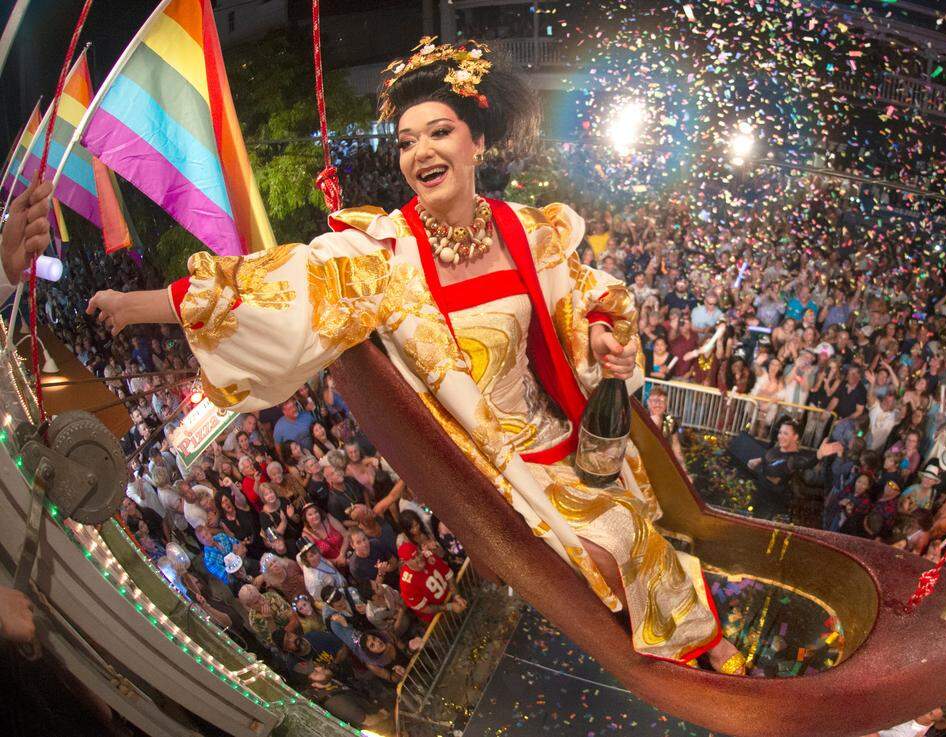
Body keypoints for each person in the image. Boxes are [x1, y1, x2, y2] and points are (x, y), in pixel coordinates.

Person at [86, 37, 741, 674]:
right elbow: (268, 287)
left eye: (438, 132)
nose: (420, 152)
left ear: (477, 141)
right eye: (405, 142)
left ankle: (697, 637)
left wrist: (598, 336)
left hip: (558, 436)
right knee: (603, 549)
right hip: (489, 467)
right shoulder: (382, 256)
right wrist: (138, 303)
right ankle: (659, 647)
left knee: (634, 527)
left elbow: (588, 299)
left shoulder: (529, 229)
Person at [397, 542, 466, 624]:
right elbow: (424, 609)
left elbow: (448, 574)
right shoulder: (406, 584)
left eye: (418, 553)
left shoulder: (428, 556)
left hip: (449, 596)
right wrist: (449, 606)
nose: (419, 558)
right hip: (436, 617)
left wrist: (456, 595)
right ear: (405, 562)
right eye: (413, 558)